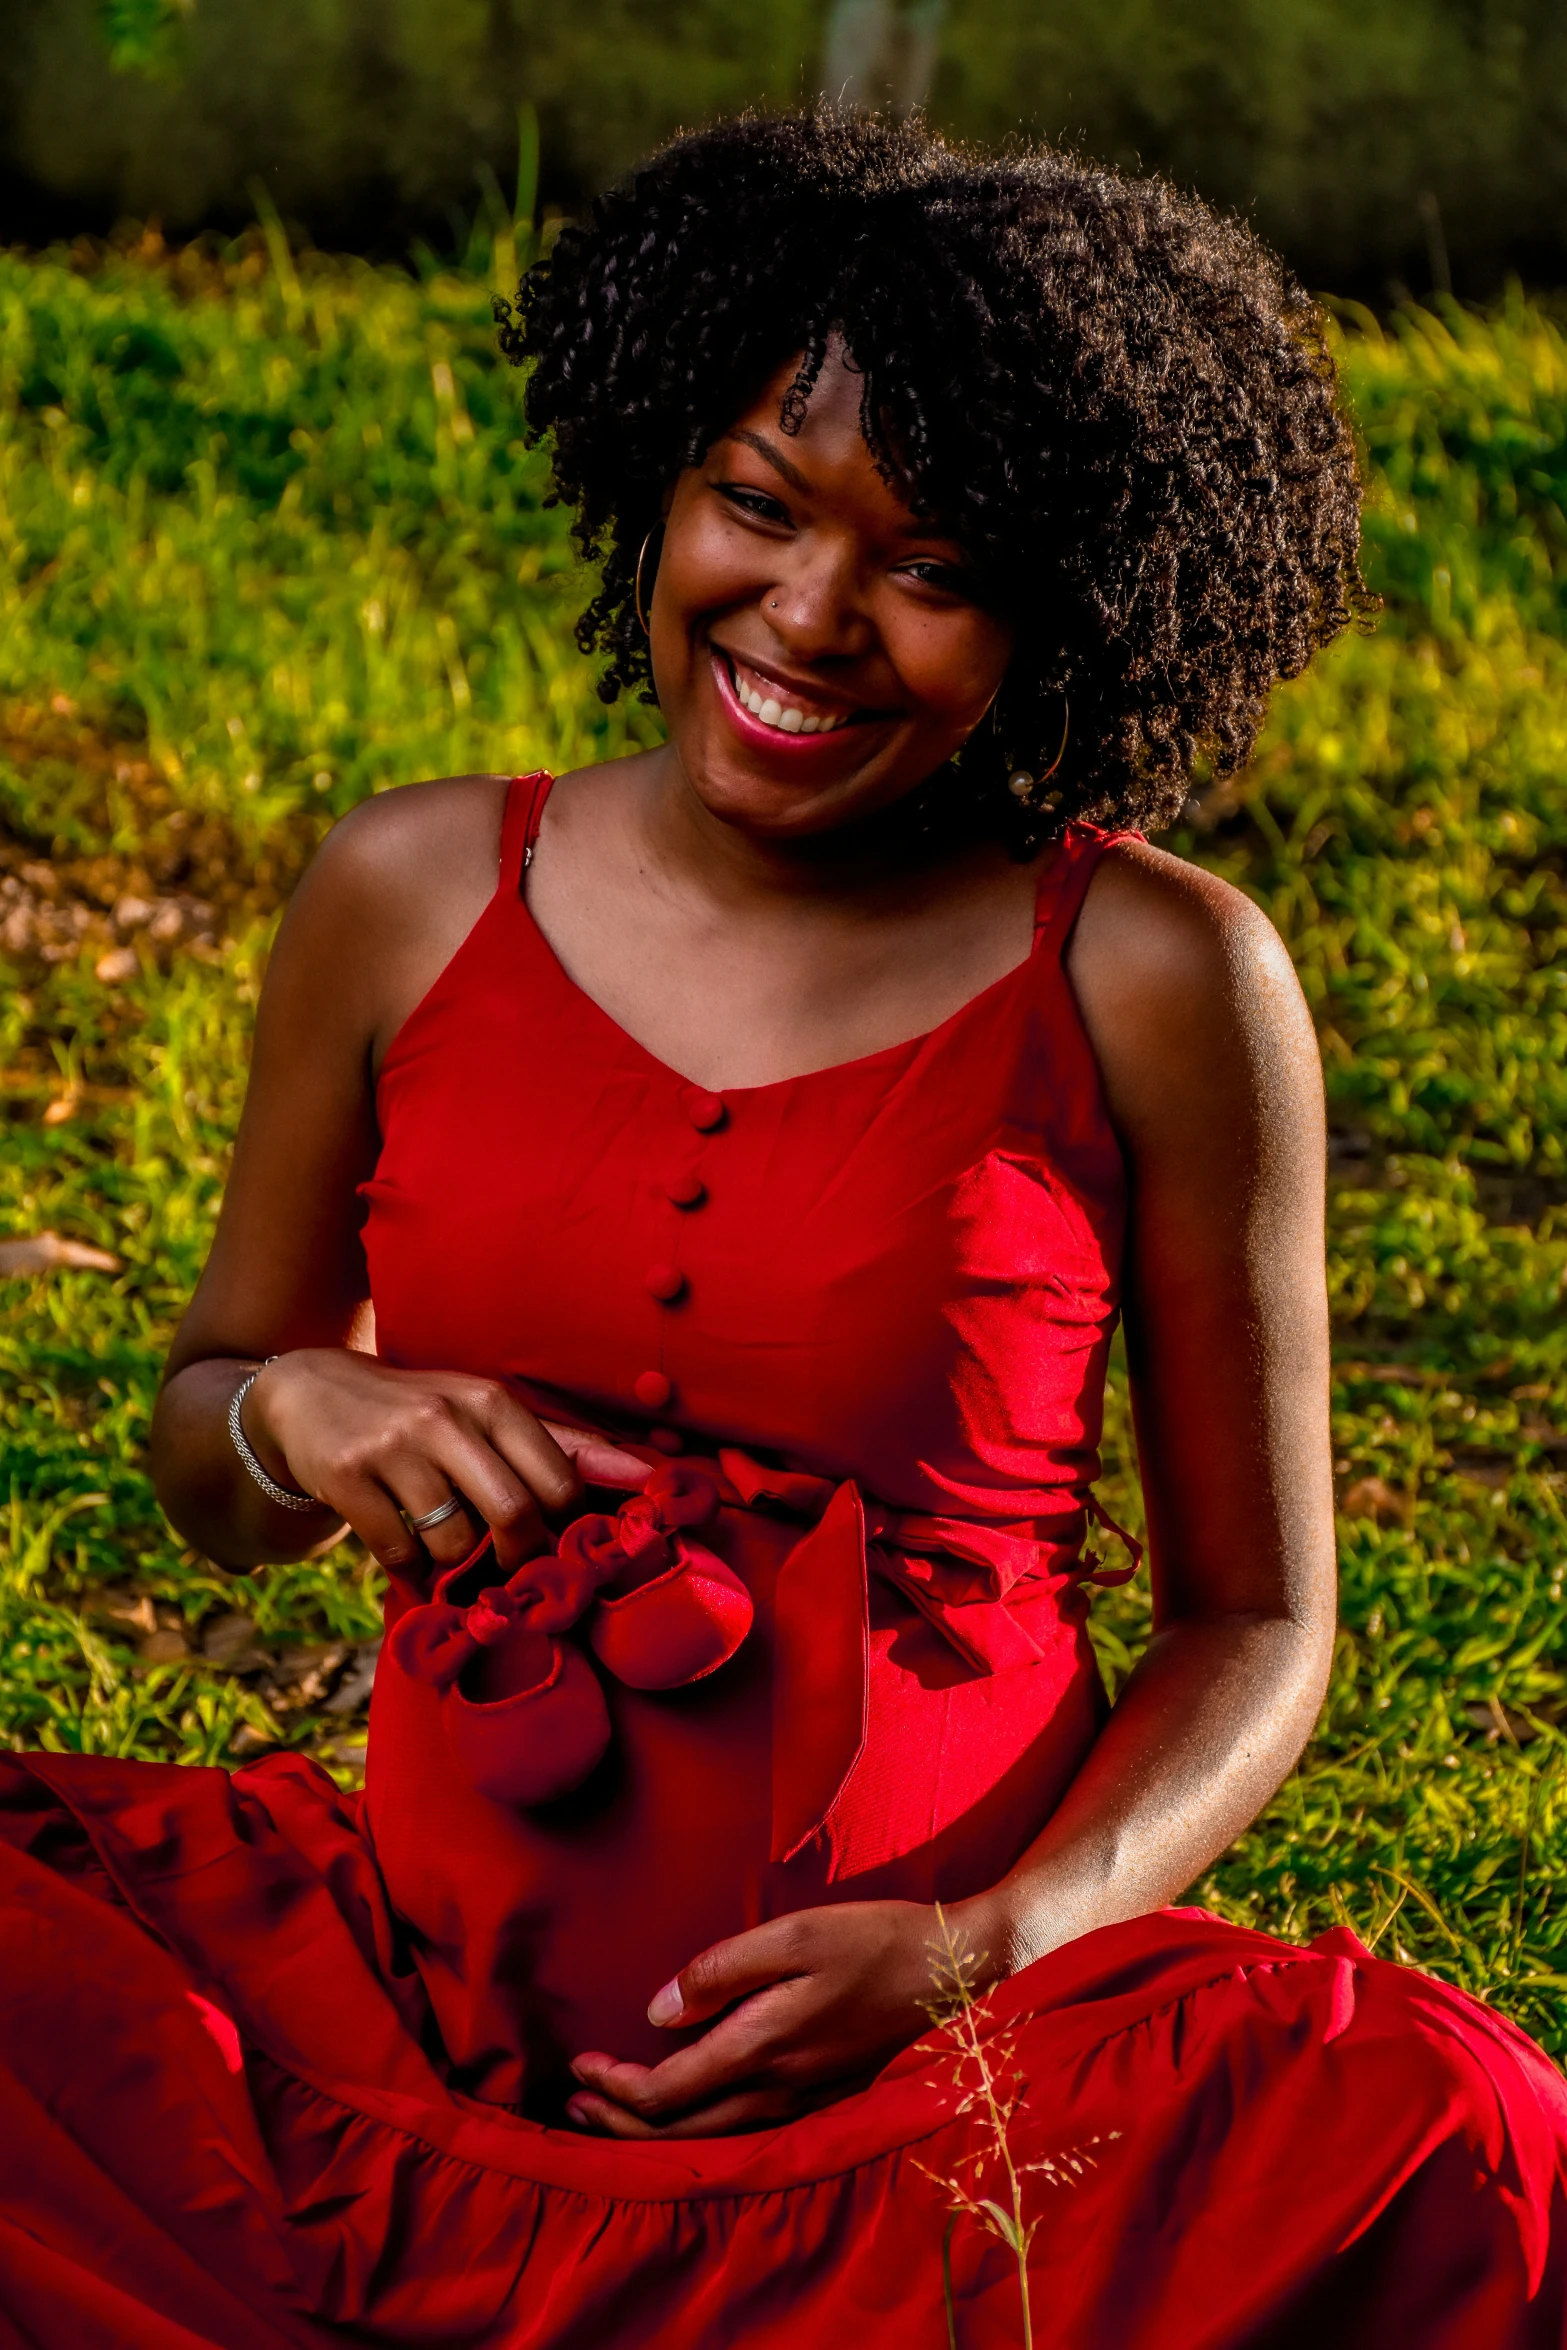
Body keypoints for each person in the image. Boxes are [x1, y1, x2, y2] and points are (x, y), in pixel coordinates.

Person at [2, 110, 1563, 2350]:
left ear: (1068, 606)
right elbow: (201, 1441)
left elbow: (1254, 1618)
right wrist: (291, 1410)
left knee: (1457, 2132)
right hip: (402, 2027)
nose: (810, 614)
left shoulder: (1151, 973)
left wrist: (993, 1938)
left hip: (938, 2101)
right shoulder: (410, 889)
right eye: (755, 502)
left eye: (930, 563)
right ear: (659, 476)